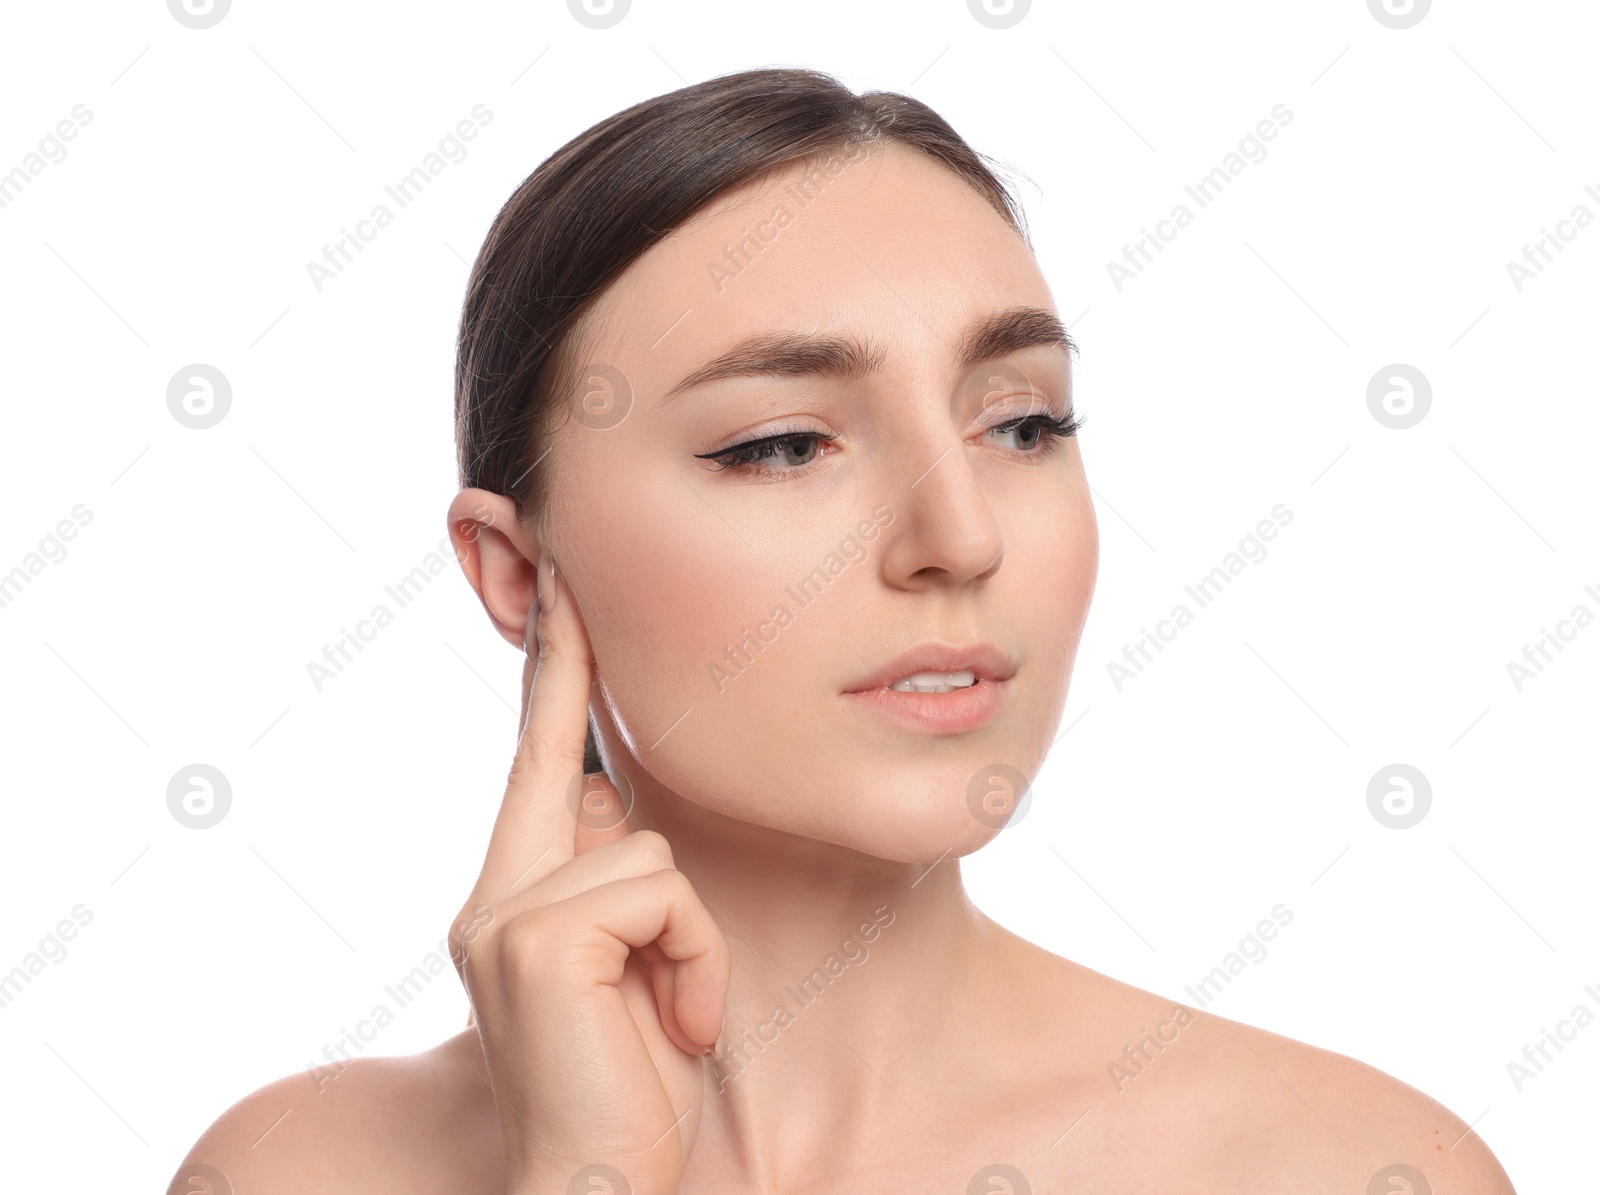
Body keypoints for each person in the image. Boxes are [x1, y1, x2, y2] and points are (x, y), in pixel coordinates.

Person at [172, 66, 1516, 1194]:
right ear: (519, 575)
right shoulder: (304, 1170)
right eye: (779, 444)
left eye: (1022, 423)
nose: (963, 534)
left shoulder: (1344, 1168)